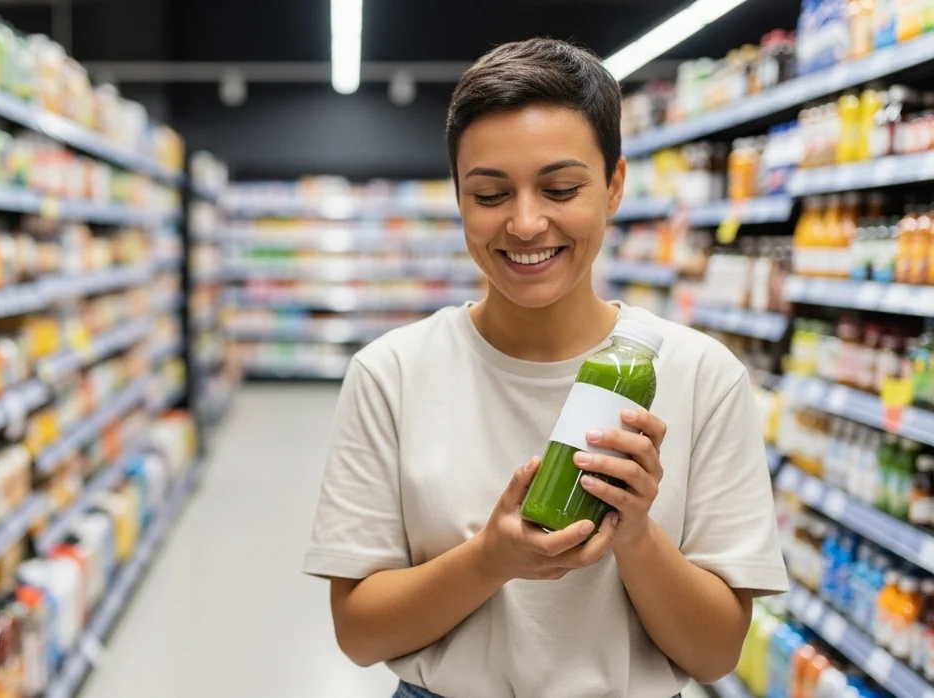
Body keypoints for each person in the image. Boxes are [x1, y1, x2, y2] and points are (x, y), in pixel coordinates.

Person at [301, 38, 788, 698]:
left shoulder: (702, 377)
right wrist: (492, 559)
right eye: (491, 193)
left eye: (560, 188)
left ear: (614, 187)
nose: (526, 223)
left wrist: (638, 534)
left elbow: (715, 654)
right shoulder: (392, 373)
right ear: (459, 199)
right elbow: (360, 635)